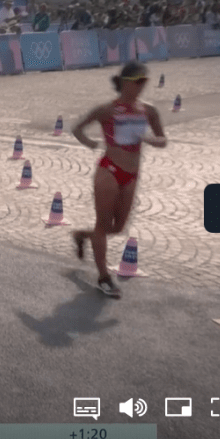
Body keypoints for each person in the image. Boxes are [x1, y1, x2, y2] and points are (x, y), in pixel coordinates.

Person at [71, 62, 166, 297]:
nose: (142, 86)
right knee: (103, 225)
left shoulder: (149, 110)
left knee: (118, 227)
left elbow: (163, 139)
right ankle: (104, 277)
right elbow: (77, 128)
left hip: (132, 175)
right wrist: (91, 143)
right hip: (109, 171)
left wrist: (151, 140)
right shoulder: (107, 110)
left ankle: (82, 235)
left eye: (144, 81)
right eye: (138, 82)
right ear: (125, 82)